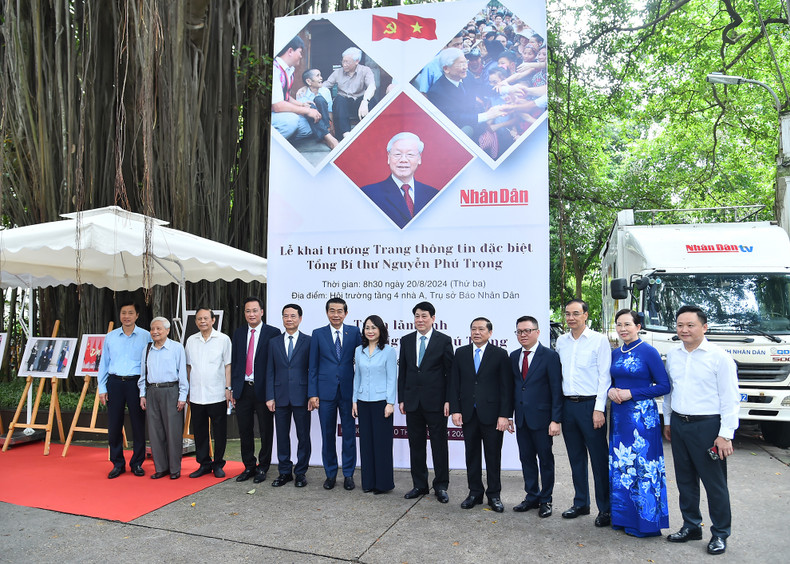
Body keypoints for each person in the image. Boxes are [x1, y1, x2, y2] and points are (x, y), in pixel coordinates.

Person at [663, 305, 739, 555]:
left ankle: (720, 533)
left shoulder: (719, 356)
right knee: (685, 480)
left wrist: (726, 434)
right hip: (680, 424)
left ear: (704, 327)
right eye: (680, 325)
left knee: (714, 483)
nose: (684, 330)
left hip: (708, 427)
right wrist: (668, 420)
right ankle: (691, 525)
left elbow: (730, 398)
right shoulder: (673, 355)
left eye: (690, 325)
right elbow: (670, 391)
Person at [608, 309, 670, 536]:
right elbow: (610, 381)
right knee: (622, 467)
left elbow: (664, 386)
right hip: (618, 418)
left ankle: (645, 523)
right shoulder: (615, 353)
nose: (623, 329)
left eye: (627, 324)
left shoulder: (648, 352)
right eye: (619, 324)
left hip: (642, 419)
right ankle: (624, 519)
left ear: (638, 326)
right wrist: (611, 390)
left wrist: (631, 393)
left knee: (642, 467)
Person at [555, 299, 612, 526]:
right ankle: (581, 503)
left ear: (585, 315)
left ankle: (605, 509)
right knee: (576, 458)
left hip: (591, 406)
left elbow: (604, 377)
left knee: (599, 460)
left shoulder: (599, 341)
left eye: (576, 313)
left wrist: (599, 409)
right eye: (568, 313)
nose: (571, 318)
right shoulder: (561, 341)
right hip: (569, 406)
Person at [449, 317, 512, 512]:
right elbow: (454, 384)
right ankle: (474, 492)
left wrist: (505, 415)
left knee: (493, 456)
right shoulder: (460, 353)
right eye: (473, 329)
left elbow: (506, 387)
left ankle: (494, 495)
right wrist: (455, 410)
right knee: (472, 455)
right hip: (468, 414)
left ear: (490, 333)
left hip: (492, 415)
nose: (477, 332)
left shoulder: (500, 354)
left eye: (481, 329)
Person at [398, 301, 454, 503]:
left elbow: (450, 374)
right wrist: (402, 398)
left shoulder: (444, 340)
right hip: (412, 402)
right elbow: (402, 372)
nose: (420, 320)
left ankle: (441, 486)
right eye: (417, 316)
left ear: (433, 318)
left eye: (424, 316)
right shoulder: (405, 340)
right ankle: (419, 485)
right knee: (416, 445)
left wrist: (449, 400)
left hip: (437, 402)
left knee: (439, 445)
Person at [507, 316, 562, 518]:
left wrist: (556, 420)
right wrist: (509, 416)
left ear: (537, 332)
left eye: (527, 331)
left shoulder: (549, 356)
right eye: (519, 331)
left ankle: (546, 499)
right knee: (526, 459)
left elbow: (556, 390)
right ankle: (531, 496)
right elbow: (512, 388)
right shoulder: (513, 356)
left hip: (543, 419)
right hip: (521, 418)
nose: (523, 335)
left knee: (545, 460)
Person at [308, 297, 362, 491]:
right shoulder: (318, 334)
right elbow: (312, 366)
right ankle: (330, 474)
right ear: (327, 313)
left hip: (348, 392)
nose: (336, 314)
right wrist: (312, 393)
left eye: (340, 311)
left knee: (349, 435)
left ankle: (348, 474)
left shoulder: (354, 332)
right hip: (325, 393)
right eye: (332, 311)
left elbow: (362, 360)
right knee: (327, 434)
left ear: (346, 313)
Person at [98, 299, 152, 479]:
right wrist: (102, 388)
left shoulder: (146, 336)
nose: (126, 316)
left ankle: (137, 463)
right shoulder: (111, 337)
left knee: (138, 424)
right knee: (114, 425)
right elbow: (104, 363)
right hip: (114, 382)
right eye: (123, 313)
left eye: (130, 313)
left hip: (136, 383)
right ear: (119, 315)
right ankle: (117, 463)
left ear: (137, 315)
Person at [231, 297, 281, 483]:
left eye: (254, 310)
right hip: (243, 389)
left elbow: (275, 365)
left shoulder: (273, 333)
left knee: (266, 431)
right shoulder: (238, 333)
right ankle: (249, 466)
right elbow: (236, 362)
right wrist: (232, 388)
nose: (251, 314)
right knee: (245, 430)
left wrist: (272, 393)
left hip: (263, 391)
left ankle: (263, 467)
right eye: (247, 311)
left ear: (262, 312)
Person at [266, 304, 312, 488]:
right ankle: (284, 472)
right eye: (286, 316)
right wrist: (270, 396)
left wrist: (312, 395)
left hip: (302, 396)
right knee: (282, 436)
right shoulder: (274, 342)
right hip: (280, 396)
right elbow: (270, 371)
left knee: (303, 436)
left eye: (293, 316)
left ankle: (301, 472)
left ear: (300, 318)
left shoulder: (309, 341)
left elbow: (312, 370)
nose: (289, 319)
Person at [138, 317, 189, 480]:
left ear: (167, 331)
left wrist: (182, 396)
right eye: (153, 329)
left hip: (171, 390)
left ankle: (175, 468)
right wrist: (142, 394)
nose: (155, 332)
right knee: (155, 431)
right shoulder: (147, 349)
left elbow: (182, 373)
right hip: (152, 391)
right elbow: (143, 375)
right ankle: (161, 467)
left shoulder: (176, 348)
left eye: (159, 329)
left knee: (173, 431)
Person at [185, 307, 232, 479]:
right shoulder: (191, 340)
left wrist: (228, 389)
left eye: (206, 318)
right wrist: (188, 389)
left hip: (217, 393)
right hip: (197, 394)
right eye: (199, 319)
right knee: (200, 431)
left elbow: (228, 365)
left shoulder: (223, 339)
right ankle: (204, 464)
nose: (202, 321)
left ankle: (218, 463)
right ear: (196, 321)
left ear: (213, 320)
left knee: (219, 431)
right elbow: (189, 367)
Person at [352, 315, 397, 494]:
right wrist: (354, 400)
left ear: (380, 330)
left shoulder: (388, 351)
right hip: (363, 401)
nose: (370, 331)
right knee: (366, 443)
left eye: (373, 328)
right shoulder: (358, 350)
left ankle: (383, 484)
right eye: (367, 327)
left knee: (382, 444)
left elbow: (392, 378)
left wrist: (390, 402)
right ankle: (368, 482)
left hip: (381, 403)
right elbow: (358, 377)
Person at [360, 132, 439, 229]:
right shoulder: (368, 194)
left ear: (419, 158)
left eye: (410, 154)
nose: (403, 160)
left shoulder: (434, 196)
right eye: (398, 154)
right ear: (389, 157)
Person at [271, 36, 336, 149]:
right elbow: (277, 105)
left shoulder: (289, 71)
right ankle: (273, 147)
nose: (301, 56)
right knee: (292, 121)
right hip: (272, 115)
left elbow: (286, 97)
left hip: (280, 114)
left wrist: (302, 104)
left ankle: (324, 135)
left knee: (311, 124)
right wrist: (306, 110)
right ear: (290, 51)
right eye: (300, 52)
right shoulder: (275, 69)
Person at [427, 48, 502, 139]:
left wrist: (507, 89)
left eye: (465, 62)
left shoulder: (467, 75)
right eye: (460, 64)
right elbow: (455, 118)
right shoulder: (436, 92)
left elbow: (481, 88)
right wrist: (487, 115)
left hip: (478, 128)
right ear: (446, 69)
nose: (465, 67)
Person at [323, 47, 376, 139]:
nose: (344, 64)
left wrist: (365, 101)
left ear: (357, 61)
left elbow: (372, 86)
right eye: (343, 61)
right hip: (344, 106)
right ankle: (345, 135)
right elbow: (325, 86)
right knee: (339, 100)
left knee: (371, 100)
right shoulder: (338, 72)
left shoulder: (365, 70)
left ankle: (368, 133)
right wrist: (308, 88)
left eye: (347, 62)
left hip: (359, 104)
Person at [294, 68, 338, 149]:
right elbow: (302, 113)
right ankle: (327, 137)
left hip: (325, 124)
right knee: (309, 107)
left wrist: (331, 128)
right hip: (311, 124)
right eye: (317, 76)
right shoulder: (301, 94)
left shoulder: (325, 91)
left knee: (319, 99)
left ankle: (326, 134)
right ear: (309, 81)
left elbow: (330, 111)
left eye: (320, 75)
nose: (321, 78)